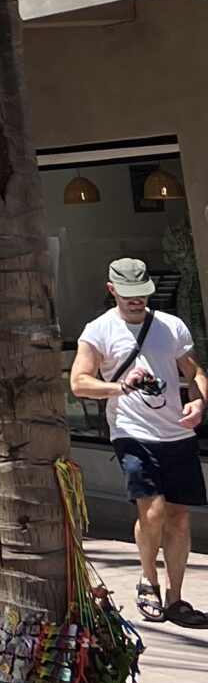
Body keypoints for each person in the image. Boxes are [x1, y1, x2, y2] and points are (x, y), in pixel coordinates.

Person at [70, 255, 208, 626]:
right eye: (129, 294)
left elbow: (194, 372)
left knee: (179, 518)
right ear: (112, 289)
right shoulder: (98, 331)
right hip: (132, 432)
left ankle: (176, 598)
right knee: (153, 512)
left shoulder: (170, 326)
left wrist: (199, 402)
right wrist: (119, 386)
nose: (137, 301)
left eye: (142, 294)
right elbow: (79, 382)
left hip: (177, 431)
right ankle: (148, 581)